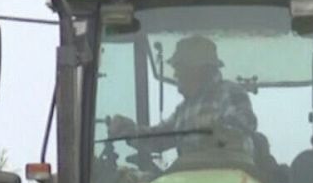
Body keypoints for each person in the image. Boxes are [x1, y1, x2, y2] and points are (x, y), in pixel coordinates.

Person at [108, 35, 257, 164]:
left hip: (230, 180)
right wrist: (127, 130)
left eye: (179, 68)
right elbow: (158, 138)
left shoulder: (230, 92)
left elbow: (244, 124)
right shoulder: (184, 110)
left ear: (198, 69)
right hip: (192, 181)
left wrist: (213, 132)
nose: (175, 75)